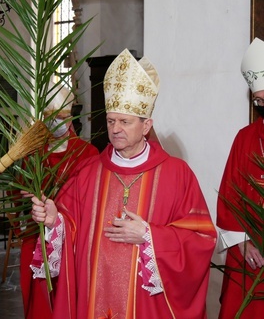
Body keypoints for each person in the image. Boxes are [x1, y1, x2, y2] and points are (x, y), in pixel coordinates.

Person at [29, 49, 217, 318]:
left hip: (146, 306)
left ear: (146, 125)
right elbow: (69, 225)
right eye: (111, 121)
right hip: (95, 295)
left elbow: (201, 239)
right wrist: (54, 220)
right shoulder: (88, 172)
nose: (115, 129)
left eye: (125, 122)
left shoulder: (177, 174)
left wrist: (149, 236)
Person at [17, 85, 98, 319]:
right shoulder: (33, 152)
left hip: (74, 238)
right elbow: (19, 195)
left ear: (71, 117)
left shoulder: (88, 154)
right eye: (50, 117)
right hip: (36, 234)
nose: (56, 122)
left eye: (61, 116)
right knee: (39, 302)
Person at [217, 37, 264, 318]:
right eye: (258, 101)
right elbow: (228, 197)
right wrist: (242, 242)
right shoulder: (245, 139)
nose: (262, 105)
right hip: (248, 257)